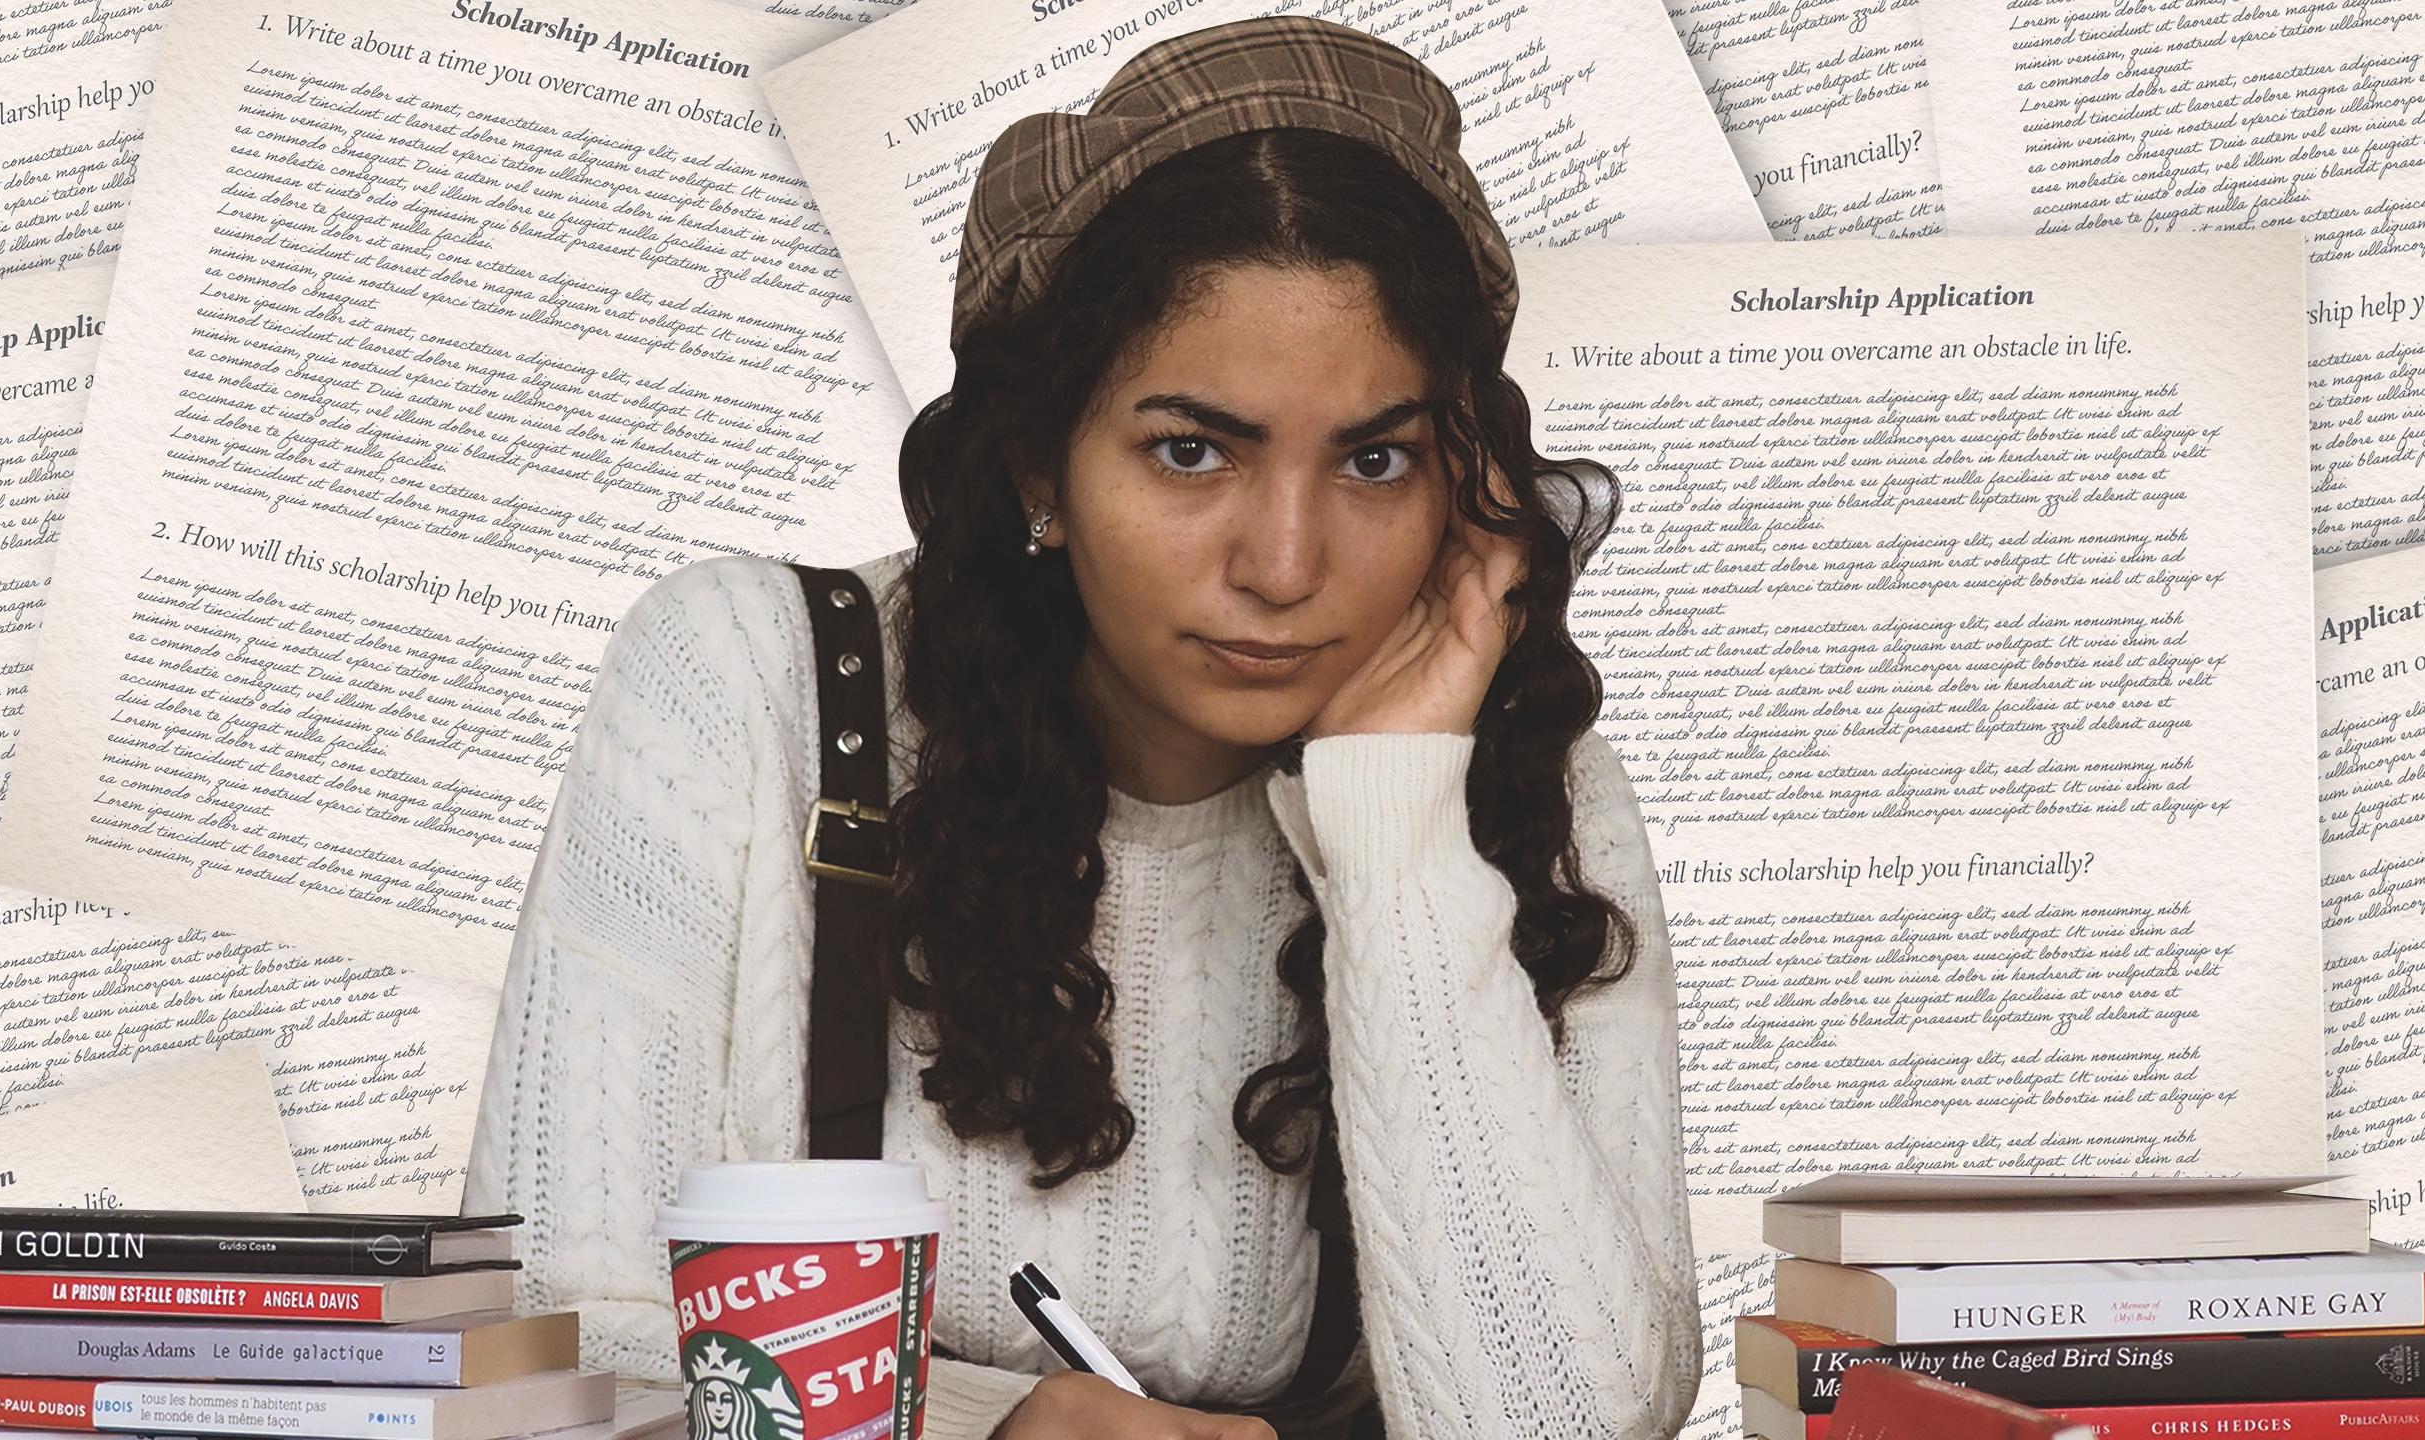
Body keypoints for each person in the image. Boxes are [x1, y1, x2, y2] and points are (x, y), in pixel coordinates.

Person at [464, 15, 1701, 1439]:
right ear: (1037, 461)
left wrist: (1396, 815)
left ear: (1462, 479)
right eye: (1192, 450)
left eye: (1375, 459)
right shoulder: (746, 683)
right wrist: (994, 1425)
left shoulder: (1517, 784)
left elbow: (1571, 1428)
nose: (1286, 566)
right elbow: (525, 1347)